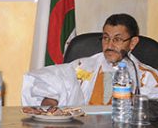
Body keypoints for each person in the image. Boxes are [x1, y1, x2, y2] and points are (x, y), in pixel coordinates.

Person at [22, 14, 158, 106]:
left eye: (117, 39)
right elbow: (50, 81)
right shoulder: (82, 66)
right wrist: (50, 100)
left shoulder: (146, 76)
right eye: (106, 38)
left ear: (133, 43)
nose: (109, 45)